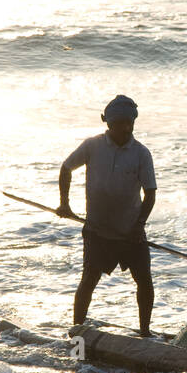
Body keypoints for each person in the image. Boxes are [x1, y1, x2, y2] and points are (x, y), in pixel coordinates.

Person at [57, 95, 157, 335]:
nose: (126, 128)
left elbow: (150, 193)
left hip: (131, 232)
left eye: (130, 122)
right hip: (97, 231)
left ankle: (145, 332)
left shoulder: (141, 154)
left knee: (144, 281)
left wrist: (138, 225)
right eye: (120, 123)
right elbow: (66, 168)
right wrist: (64, 204)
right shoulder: (92, 146)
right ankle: (77, 332)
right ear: (108, 124)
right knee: (88, 280)